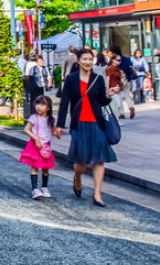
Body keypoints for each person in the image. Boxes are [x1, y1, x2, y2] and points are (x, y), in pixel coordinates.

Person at [55, 47, 120, 208]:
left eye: (90, 59)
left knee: (99, 159)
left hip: (97, 123)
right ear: (78, 61)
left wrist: (109, 95)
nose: (88, 62)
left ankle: (97, 193)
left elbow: (101, 102)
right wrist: (59, 125)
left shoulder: (98, 79)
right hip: (79, 124)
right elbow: (64, 103)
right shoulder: (71, 79)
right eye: (84, 59)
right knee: (81, 161)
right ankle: (77, 177)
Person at [20, 95, 57, 200]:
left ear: (48, 108)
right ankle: (35, 189)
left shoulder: (51, 119)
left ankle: (44, 187)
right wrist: (35, 138)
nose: (39, 107)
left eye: (42, 104)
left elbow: (53, 131)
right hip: (35, 146)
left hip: (46, 147)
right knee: (35, 167)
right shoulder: (34, 118)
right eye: (37, 104)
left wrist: (57, 133)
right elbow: (26, 129)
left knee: (46, 168)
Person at [105, 54, 133, 122]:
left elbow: (120, 78)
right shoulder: (110, 68)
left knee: (118, 105)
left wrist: (123, 76)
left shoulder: (117, 69)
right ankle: (111, 119)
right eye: (118, 60)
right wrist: (107, 89)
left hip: (119, 88)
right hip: (113, 89)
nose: (120, 62)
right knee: (117, 104)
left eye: (120, 60)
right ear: (113, 60)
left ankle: (115, 120)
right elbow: (107, 79)